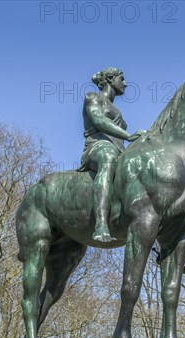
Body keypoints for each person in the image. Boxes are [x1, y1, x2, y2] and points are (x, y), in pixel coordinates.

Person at [78, 67, 144, 243]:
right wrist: (128, 136)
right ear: (109, 79)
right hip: (97, 147)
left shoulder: (118, 112)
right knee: (108, 157)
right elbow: (99, 121)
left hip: (119, 151)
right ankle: (100, 225)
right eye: (121, 79)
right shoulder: (92, 97)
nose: (125, 83)